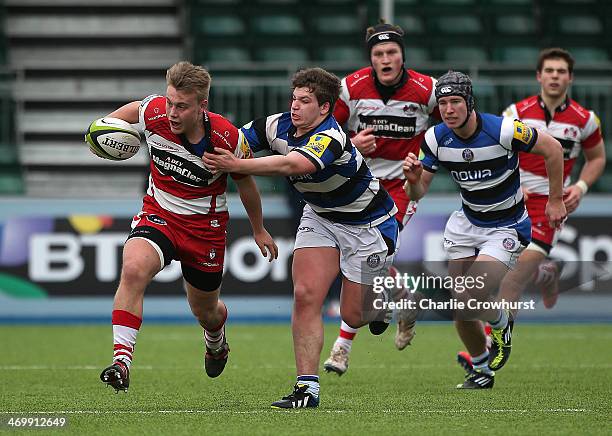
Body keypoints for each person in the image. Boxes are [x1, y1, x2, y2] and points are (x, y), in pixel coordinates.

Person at [203, 67, 399, 408]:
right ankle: (307, 389)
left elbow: (292, 165)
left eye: (305, 101)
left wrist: (235, 164)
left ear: (324, 108)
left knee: (353, 316)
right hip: (320, 216)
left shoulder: (331, 137)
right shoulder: (276, 124)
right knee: (306, 294)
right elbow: (232, 140)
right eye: (294, 99)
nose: (295, 106)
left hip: (369, 223)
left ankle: (386, 296)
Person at [97, 61, 278, 392]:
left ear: (201, 105)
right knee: (134, 268)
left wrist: (259, 228)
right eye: (169, 102)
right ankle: (121, 362)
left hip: (204, 229)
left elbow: (247, 184)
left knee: (206, 310)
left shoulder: (227, 137)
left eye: (181, 106)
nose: (171, 112)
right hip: (159, 214)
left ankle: (216, 341)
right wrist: (102, 129)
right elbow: (126, 114)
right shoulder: (153, 113)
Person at [402, 70, 566, 389]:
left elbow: (553, 149)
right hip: (466, 224)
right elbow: (417, 192)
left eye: (455, 102)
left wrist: (555, 200)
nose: (448, 109)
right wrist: (412, 180)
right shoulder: (435, 138)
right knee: (460, 307)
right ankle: (481, 370)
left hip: (506, 226)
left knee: (469, 294)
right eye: (444, 103)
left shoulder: (503, 130)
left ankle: (502, 326)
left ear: (470, 102)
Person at [456, 48, 606, 373]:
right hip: (512, 202)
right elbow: (499, 150)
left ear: (570, 77)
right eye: (549, 70)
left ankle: (490, 352)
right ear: (539, 76)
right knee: (489, 276)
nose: (555, 76)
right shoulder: (516, 112)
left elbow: (597, 159)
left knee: (510, 281)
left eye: (561, 71)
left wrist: (579, 187)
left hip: (550, 205)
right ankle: (544, 273)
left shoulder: (585, 120)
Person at [323, 20, 439, 376]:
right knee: (364, 256)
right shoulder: (351, 88)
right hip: (359, 180)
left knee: (367, 253)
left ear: (402, 56)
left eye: (392, 52)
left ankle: (341, 348)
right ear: (370, 58)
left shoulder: (427, 90)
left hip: (401, 186)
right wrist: (351, 143)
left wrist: (425, 161)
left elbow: (448, 129)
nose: (386, 59)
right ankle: (402, 294)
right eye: (378, 53)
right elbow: (327, 130)